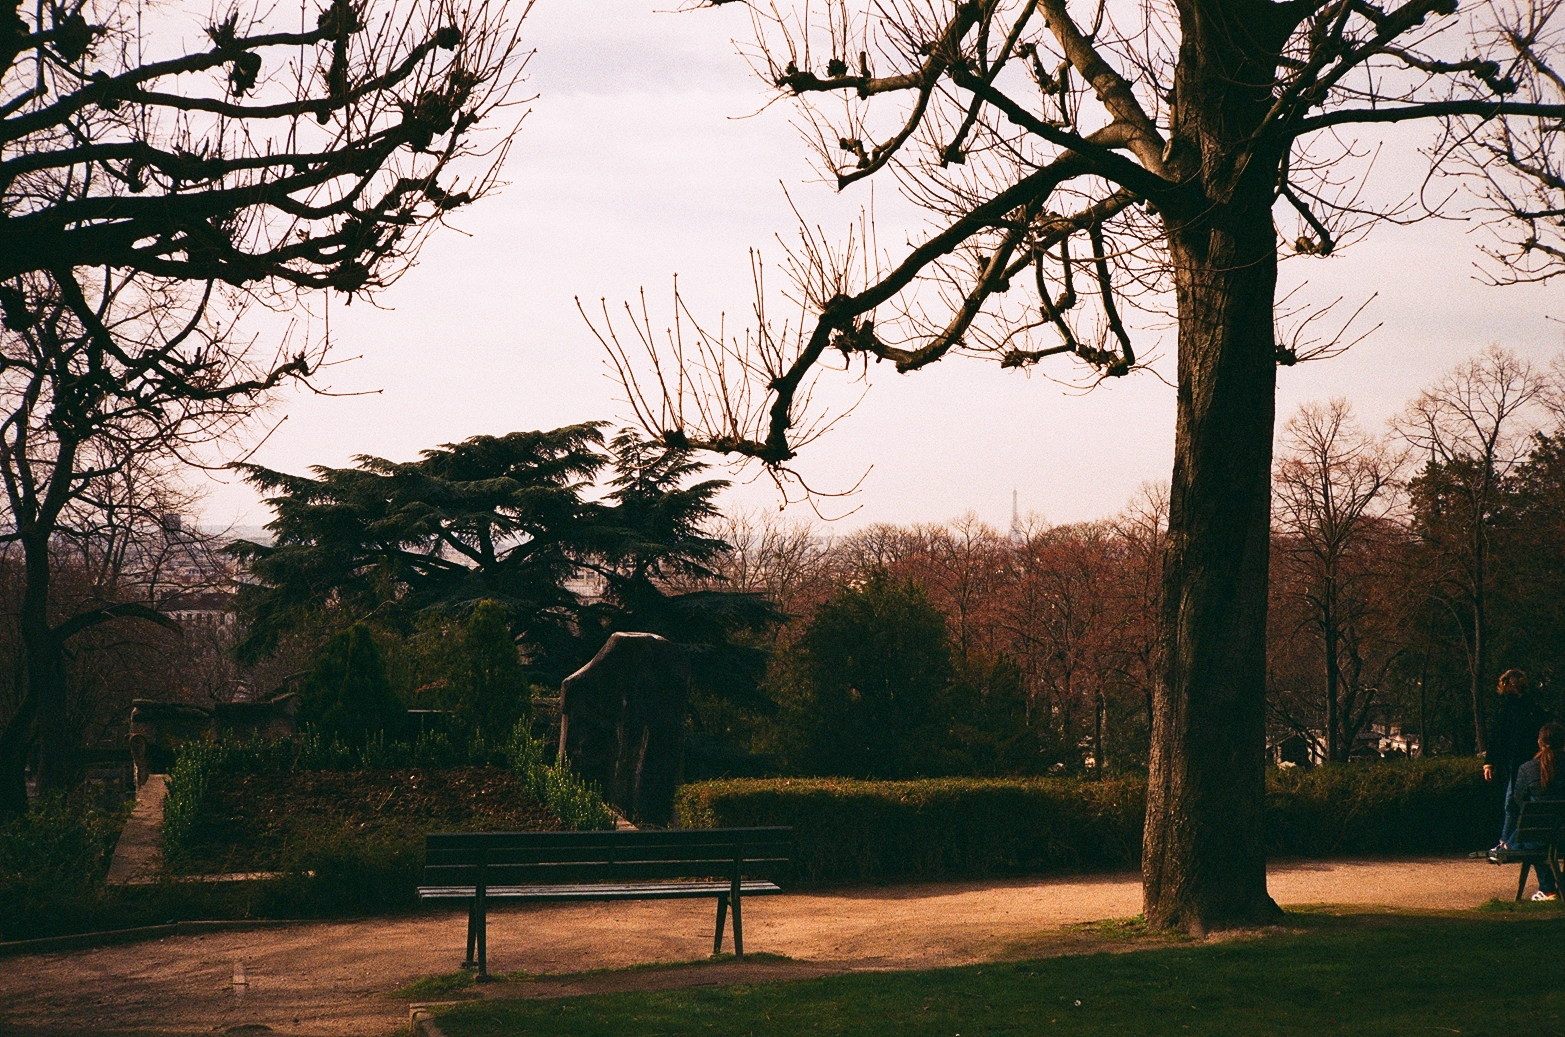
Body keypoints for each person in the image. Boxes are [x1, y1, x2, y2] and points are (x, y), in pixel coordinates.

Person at [1483, 669, 1551, 852]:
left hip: (1516, 761)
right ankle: (1509, 841)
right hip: (1530, 759)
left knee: (1512, 802)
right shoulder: (1531, 706)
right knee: (1518, 802)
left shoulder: (1508, 707)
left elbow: (1496, 736)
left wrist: (1490, 762)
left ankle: (1506, 841)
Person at [1502, 721, 1564, 901]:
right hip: (1562, 834)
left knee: (1533, 837)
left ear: (1539, 742)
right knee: (1545, 834)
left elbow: (1518, 802)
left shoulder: (1528, 769)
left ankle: (1548, 888)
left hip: (1538, 836)